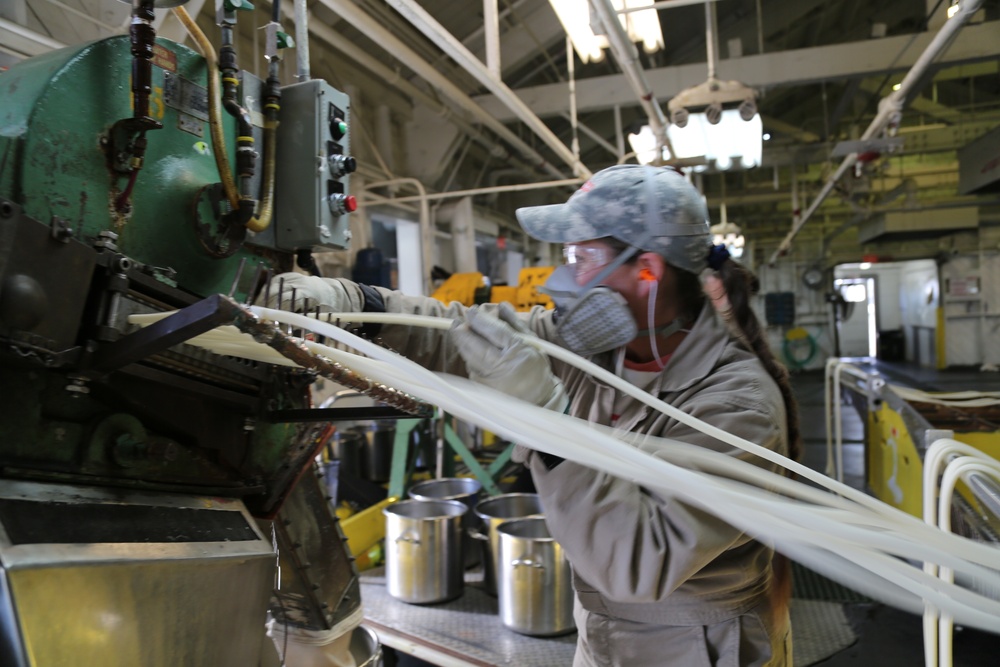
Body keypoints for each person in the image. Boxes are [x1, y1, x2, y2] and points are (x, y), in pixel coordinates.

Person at [266, 164, 799, 666]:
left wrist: (547, 418)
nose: (564, 278)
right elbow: (466, 333)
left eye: (581, 258)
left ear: (647, 269)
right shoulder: (596, 347)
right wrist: (361, 305)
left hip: (695, 648)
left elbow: (638, 561)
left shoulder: (736, 405)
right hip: (604, 636)